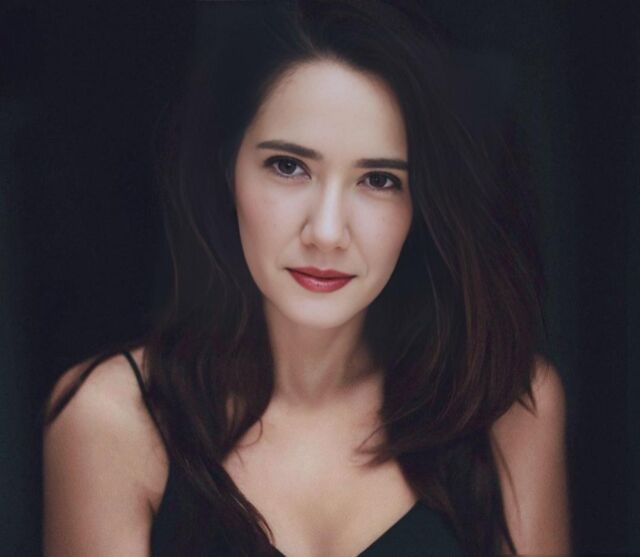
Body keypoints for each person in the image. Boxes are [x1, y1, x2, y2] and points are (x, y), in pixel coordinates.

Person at [41, 1, 571, 555]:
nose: (326, 232)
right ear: (227, 169)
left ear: (423, 204)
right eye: (289, 166)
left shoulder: (506, 403)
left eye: (379, 179)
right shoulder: (115, 419)